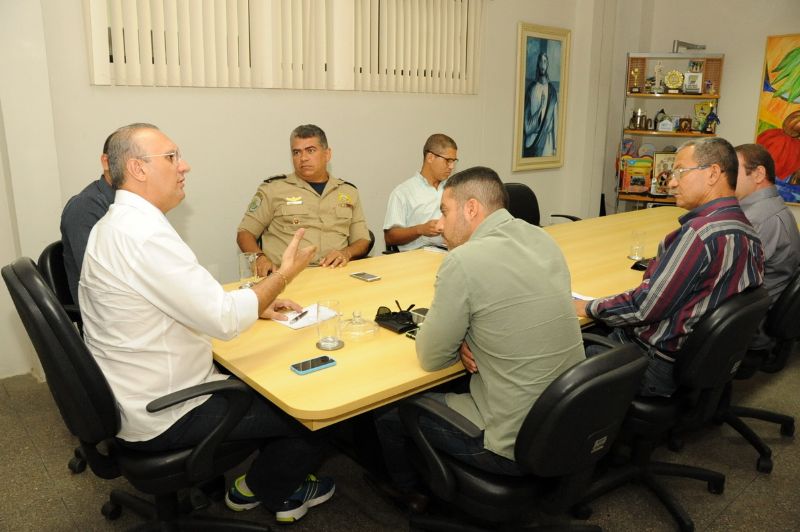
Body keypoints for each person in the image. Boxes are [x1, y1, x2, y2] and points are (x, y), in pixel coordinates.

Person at [79, 123, 334, 524]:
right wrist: (283, 276)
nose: (185, 166)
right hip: (168, 411)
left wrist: (258, 302)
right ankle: (269, 487)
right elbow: (224, 319)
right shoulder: (145, 235)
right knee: (314, 414)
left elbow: (189, 297)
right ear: (138, 168)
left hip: (130, 394)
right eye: (172, 157)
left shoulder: (113, 226)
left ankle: (254, 483)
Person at [375, 166, 585, 509]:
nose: (439, 223)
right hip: (567, 421)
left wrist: (457, 339)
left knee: (390, 416)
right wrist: (468, 336)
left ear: (471, 208)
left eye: (444, 211)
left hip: (512, 442)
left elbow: (430, 357)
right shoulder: (542, 239)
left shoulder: (463, 261)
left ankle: (414, 498)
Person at [574, 137, 765, 397]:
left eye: (680, 172)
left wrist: (586, 306)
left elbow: (642, 308)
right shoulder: (746, 230)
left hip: (655, 365)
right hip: (699, 360)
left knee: (562, 346)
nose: (672, 182)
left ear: (712, 174)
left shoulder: (699, 235)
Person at [237, 124, 370, 275]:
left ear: (327, 154)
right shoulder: (273, 189)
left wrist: (346, 253)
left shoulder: (348, 191)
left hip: (336, 273)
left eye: (310, 150)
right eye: (296, 152)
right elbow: (245, 233)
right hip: (287, 277)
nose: (303, 158)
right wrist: (259, 258)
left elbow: (362, 240)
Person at [734, 143, 800, 352]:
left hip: (751, 321)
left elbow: (730, 282)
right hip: (764, 307)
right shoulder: (773, 207)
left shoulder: (756, 219)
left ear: (759, 173)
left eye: (734, 171)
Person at [60, 131, 116, 304]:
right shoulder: (86, 206)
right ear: (106, 162)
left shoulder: (131, 206)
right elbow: (99, 282)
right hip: (105, 316)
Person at [383, 134, 457, 251]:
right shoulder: (403, 192)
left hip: (451, 252)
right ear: (430, 157)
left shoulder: (454, 189)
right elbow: (390, 237)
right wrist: (420, 230)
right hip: (416, 255)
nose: (452, 166)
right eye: (448, 161)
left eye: (454, 161)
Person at [523, 52, 557, 157]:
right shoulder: (531, 88)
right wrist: (540, 109)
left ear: (547, 65)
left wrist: (555, 146)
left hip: (547, 144)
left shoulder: (552, 91)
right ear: (538, 64)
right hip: (531, 142)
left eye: (545, 61)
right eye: (541, 61)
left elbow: (556, 121)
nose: (543, 64)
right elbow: (526, 126)